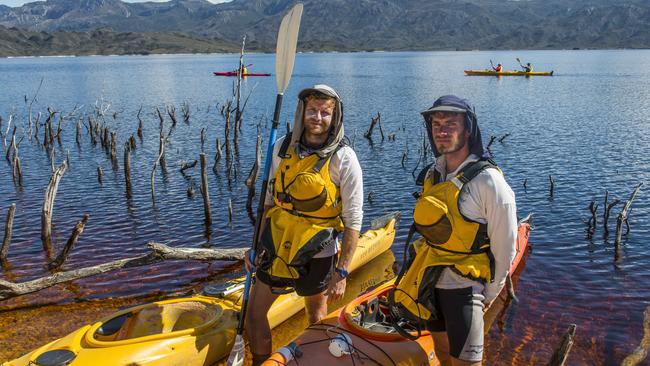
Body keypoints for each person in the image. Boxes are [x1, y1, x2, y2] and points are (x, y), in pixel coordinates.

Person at [391, 95, 518, 365]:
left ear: (468, 130)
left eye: (451, 124)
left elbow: (506, 245)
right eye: (436, 124)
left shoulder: (489, 182)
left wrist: (491, 293)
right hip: (431, 280)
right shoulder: (432, 174)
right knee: (441, 350)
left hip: (465, 286)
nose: (442, 131)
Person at [244, 84, 363, 365]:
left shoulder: (344, 158)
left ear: (334, 118)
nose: (318, 118)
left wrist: (342, 271)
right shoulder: (281, 148)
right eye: (312, 111)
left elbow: (353, 221)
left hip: (317, 252)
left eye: (325, 113)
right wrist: (254, 248)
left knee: (316, 315)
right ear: (302, 112)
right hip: (277, 245)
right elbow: (268, 203)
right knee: (253, 313)